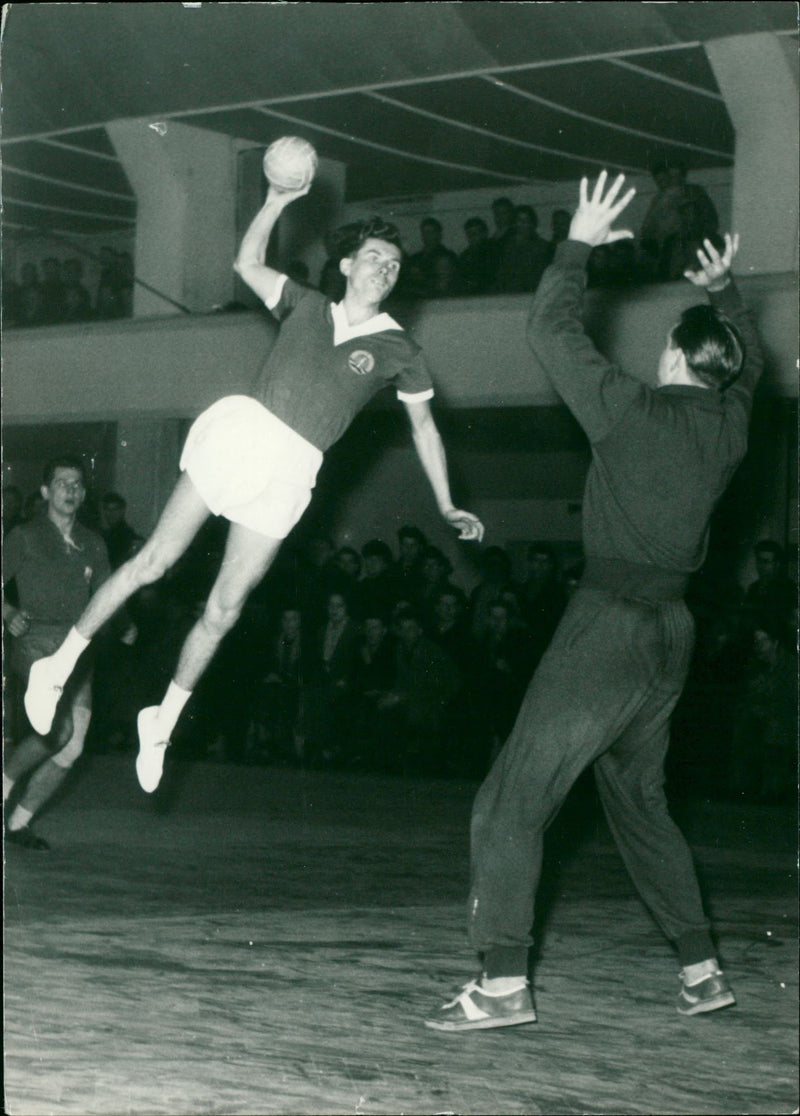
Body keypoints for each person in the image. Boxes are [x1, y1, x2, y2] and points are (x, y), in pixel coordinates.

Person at [426, 170, 761, 1033]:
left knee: (509, 802)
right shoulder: (728, 430)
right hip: (670, 638)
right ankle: (701, 970)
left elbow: (548, 328)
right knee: (640, 804)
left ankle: (502, 986)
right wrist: (724, 291)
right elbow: (751, 368)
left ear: (679, 357)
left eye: (666, 347)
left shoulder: (631, 411)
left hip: (608, 627)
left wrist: (576, 241)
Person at [24, 174, 484, 796]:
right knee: (154, 563)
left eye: (395, 263)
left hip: (295, 468)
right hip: (246, 435)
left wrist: (448, 501)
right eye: (375, 257)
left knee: (225, 608)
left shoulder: (400, 349)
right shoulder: (305, 303)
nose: (386, 268)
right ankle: (60, 664)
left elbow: (426, 428)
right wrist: (275, 199)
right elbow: (246, 262)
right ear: (347, 265)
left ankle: (161, 720)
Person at [3, 457, 116, 849]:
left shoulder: (94, 542)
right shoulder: (25, 535)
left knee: (73, 747)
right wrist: (8, 612)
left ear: (83, 494)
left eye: (77, 484)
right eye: (62, 483)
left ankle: (18, 824)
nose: (71, 489)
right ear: (47, 492)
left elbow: (107, 595)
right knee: (58, 730)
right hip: (37, 644)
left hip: (78, 649)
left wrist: (125, 622)